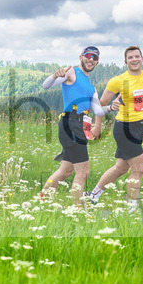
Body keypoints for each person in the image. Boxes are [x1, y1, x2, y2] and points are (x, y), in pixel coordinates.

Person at [88, 38, 143, 210]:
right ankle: (131, 207)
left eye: (137, 57)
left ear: (142, 59)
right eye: (130, 57)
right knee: (139, 168)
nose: (134, 60)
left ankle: (93, 195)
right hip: (124, 128)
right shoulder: (117, 81)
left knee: (121, 168)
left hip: (138, 127)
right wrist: (97, 125)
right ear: (125, 61)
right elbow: (101, 103)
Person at [39, 46, 116, 206]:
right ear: (81, 56)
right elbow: (46, 85)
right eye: (88, 55)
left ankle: (42, 200)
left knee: (66, 170)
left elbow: (97, 110)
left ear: (97, 62)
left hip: (79, 125)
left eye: (95, 58)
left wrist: (111, 108)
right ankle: (79, 209)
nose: (91, 59)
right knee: (83, 171)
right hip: (71, 123)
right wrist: (54, 76)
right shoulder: (71, 72)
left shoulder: (91, 87)